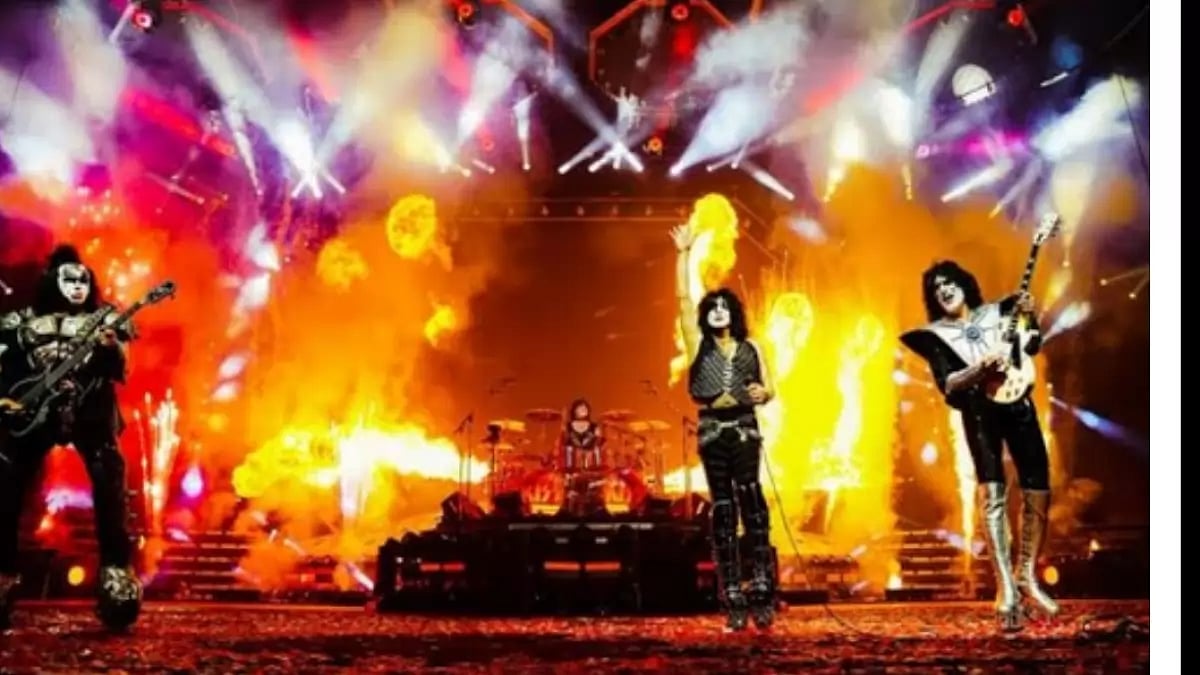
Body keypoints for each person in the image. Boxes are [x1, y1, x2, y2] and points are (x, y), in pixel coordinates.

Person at [900, 260, 1058, 631]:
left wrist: (1029, 317)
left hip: (1019, 405)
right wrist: (980, 370)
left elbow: (1031, 344)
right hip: (979, 415)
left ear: (964, 284)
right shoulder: (935, 336)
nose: (944, 289)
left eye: (949, 281)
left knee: (1038, 485)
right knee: (993, 494)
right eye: (936, 287)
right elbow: (949, 384)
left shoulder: (998, 312)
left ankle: (1026, 575)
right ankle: (1005, 587)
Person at [0, 244, 142, 631]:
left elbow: (122, 368)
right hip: (33, 412)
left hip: (90, 409)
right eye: (70, 280)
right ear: (53, 281)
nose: (78, 286)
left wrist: (111, 349)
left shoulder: (106, 319)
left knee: (109, 480)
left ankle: (116, 572)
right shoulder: (20, 321)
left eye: (84, 280)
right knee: (8, 483)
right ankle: (3, 572)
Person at [670, 224, 777, 632]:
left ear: (734, 313)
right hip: (713, 429)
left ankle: (762, 591)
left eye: (724, 307)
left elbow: (771, 387)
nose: (718, 312)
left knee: (752, 502)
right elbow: (683, 300)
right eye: (712, 307)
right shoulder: (698, 344)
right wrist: (683, 254)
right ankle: (731, 594)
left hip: (745, 428)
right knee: (724, 509)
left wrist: (764, 393)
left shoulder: (753, 348)